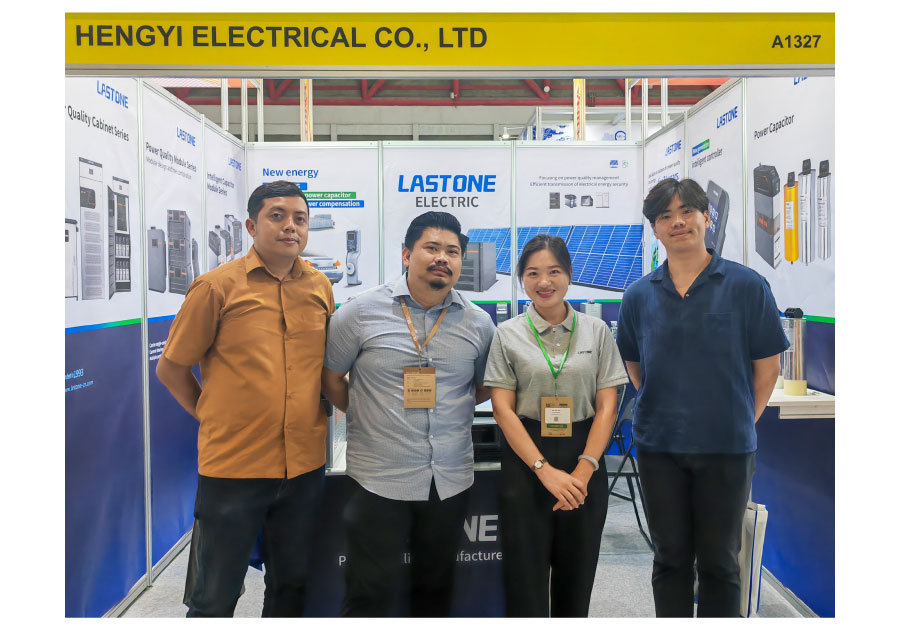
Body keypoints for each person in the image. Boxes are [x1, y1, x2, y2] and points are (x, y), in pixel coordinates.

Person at [156, 180, 335, 617]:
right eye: (277, 216)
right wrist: (211, 414)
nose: (290, 226)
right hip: (233, 467)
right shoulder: (216, 287)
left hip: (304, 465)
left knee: (291, 586)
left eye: (300, 219)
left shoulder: (319, 286)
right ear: (252, 226)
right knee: (214, 596)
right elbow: (171, 369)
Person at [616, 178, 788, 617]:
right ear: (655, 228)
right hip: (659, 448)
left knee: (720, 564)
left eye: (686, 211)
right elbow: (636, 368)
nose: (677, 222)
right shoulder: (638, 296)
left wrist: (738, 419)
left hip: (726, 449)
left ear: (706, 217)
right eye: (665, 216)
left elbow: (767, 368)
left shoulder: (746, 285)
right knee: (669, 559)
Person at [321, 211, 495, 617]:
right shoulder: (360, 312)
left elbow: (484, 386)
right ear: (406, 255)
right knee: (368, 594)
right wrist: (369, 415)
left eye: (452, 251)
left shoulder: (479, 323)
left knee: (436, 591)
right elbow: (331, 379)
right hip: (378, 478)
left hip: (448, 479)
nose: (442, 258)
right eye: (431, 248)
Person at [482, 234, 628, 617]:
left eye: (554, 271)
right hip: (526, 459)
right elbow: (502, 409)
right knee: (525, 583)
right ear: (521, 278)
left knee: (576, 581)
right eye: (532, 273)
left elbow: (607, 406)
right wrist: (543, 470)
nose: (543, 282)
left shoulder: (596, 331)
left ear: (569, 275)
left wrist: (584, 470)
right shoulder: (507, 333)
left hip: (585, 457)